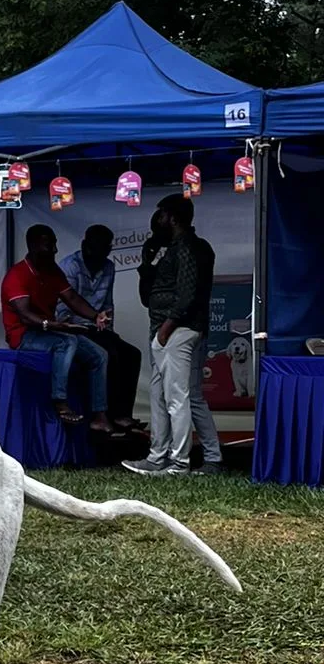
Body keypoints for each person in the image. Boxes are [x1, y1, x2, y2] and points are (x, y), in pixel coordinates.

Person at [125, 194, 222, 477]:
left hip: (177, 329)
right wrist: (148, 259)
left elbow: (187, 293)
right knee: (169, 395)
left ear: (173, 218)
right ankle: (162, 456)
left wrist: (167, 329)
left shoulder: (187, 248)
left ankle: (178, 462)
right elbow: (148, 296)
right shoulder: (174, 249)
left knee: (178, 397)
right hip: (169, 328)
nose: (157, 221)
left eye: (162, 215)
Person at [0, 224, 121, 433]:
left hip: (48, 331)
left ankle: (100, 416)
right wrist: (56, 325)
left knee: (99, 355)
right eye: (49, 245)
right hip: (24, 336)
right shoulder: (17, 275)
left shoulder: (53, 271)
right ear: (33, 246)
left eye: (55, 244)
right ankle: (60, 402)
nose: (55, 250)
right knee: (67, 341)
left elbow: (72, 298)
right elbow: (25, 316)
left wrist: (95, 316)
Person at [57, 224, 143, 429]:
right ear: (85, 246)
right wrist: (77, 327)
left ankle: (123, 414)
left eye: (105, 249)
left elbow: (107, 304)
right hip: (74, 327)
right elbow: (64, 307)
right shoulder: (70, 266)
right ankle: (107, 414)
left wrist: (109, 329)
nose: (101, 254)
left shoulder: (108, 267)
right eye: (96, 248)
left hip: (98, 327)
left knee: (132, 354)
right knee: (110, 353)